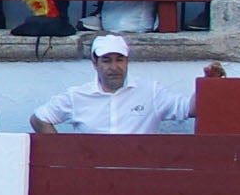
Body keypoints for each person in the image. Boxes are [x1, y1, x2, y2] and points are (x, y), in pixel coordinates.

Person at [32, 28, 192, 133]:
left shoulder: (151, 92)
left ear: (127, 61)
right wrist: (62, 153)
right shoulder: (77, 95)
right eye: (107, 61)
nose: (114, 67)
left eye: (119, 60)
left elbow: (189, 109)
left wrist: (210, 81)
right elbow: (39, 118)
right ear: (95, 63)